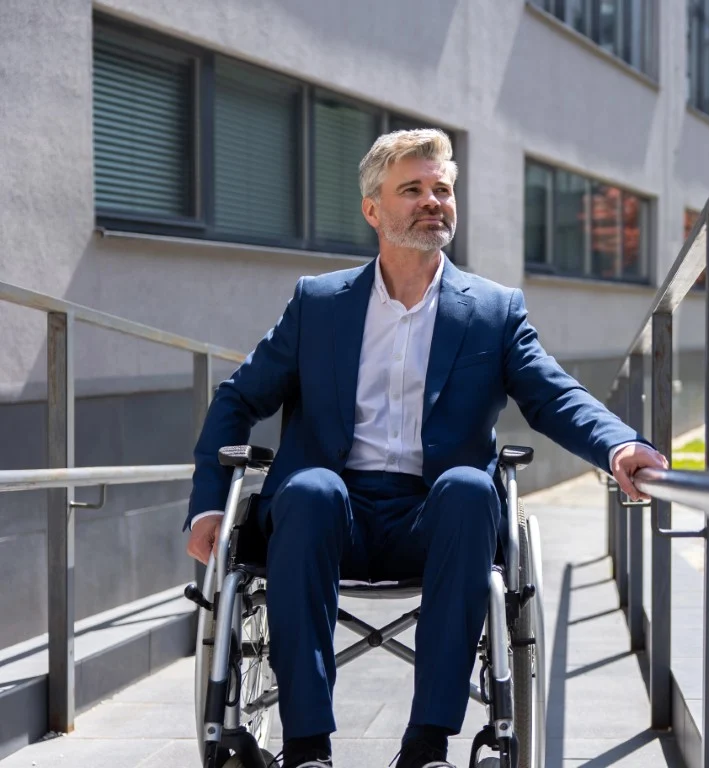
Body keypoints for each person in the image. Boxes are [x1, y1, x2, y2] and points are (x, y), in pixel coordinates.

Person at [185, 128, 668, 768]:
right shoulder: (319, 304)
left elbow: (555, 396)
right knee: (307, 489)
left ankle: (426, 747)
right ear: (373, 209)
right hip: (332, 514)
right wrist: (209, 505)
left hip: (434, 518)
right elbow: (237, 398)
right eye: (411, 189)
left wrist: (619, 447)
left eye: (442, 189)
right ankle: (306, 750)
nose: (431, 201)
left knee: (471, 488)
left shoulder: (493, 311)